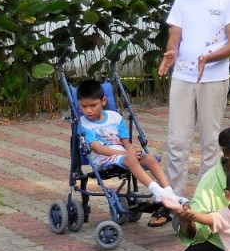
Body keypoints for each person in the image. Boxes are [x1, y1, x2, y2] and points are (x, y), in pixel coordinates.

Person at [157, 0, 230, 198]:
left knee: (210, 144)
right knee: (177, 143)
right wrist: (171, 52)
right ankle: (173, 201)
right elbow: (175, 38)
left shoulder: (228, 0)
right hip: (182, 78)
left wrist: (210, 57)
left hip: (213, 80)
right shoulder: (183, 0)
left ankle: (206, 201)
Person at [75, 79, 182, 226]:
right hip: (102, 159)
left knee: (149, 158)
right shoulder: (83, 124)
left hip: (123, 155)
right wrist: (127, 154)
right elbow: (97, 148)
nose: (88, 110)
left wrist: (131, 149)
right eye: (83, 106)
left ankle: (168, 192)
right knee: (131, 159)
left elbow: (125, 143)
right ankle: (157, 192)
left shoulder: (115, 117)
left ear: (103, 101)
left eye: (93, 105)